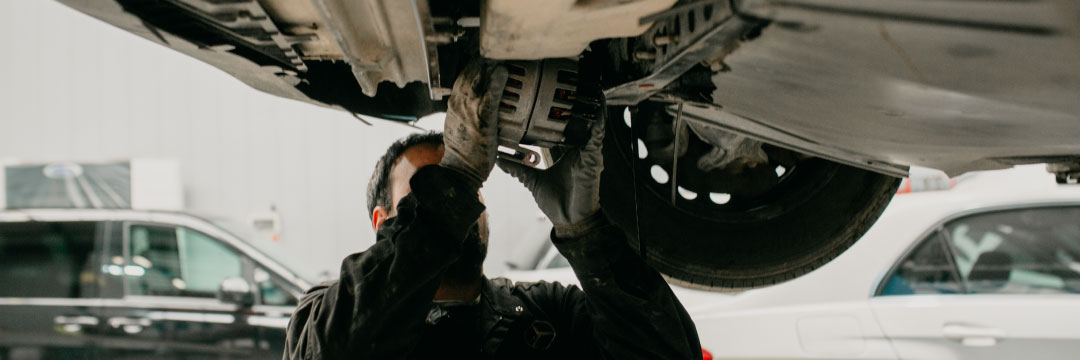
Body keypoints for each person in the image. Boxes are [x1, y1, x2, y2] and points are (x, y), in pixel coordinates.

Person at [283, 60, 701, 359]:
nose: (459, 200)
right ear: (382, 220)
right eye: (428, 187)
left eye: (471, 181)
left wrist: (587, 234)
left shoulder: (549, 313)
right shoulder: (324, 316)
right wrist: (454, 183)